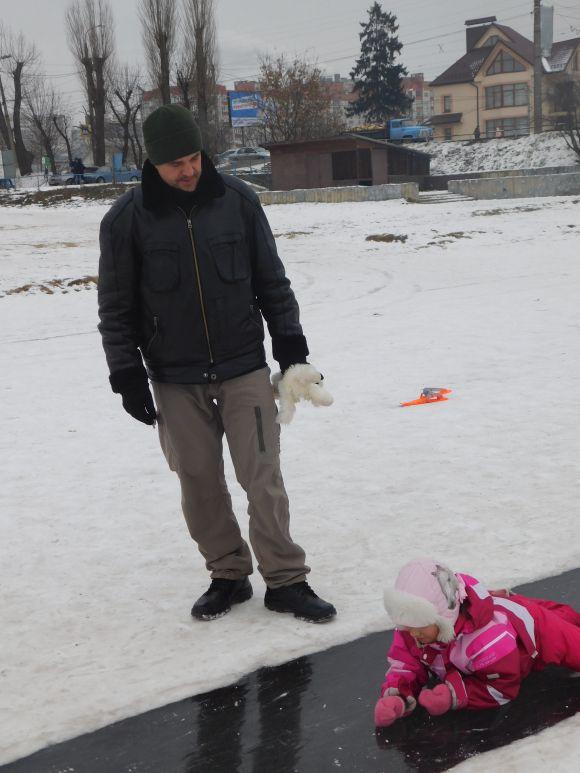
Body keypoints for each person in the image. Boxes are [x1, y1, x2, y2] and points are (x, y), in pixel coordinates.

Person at [97, 104, 336, 624]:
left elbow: (272, 280)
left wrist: (291, 347)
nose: (187, 171)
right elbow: (115, 309)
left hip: (243, 366)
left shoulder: (239, 202)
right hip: (174, 378)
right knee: (199, 483)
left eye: (192, 158)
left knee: (263, 477)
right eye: (173, 164)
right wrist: (127, 376)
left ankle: (286, 580)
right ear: (151, 164)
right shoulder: (125, 221)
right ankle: (228, 574)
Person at [374, 557, 580, 726]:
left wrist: (453, 695)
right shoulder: (411, 630)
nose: (412, 633)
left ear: (443, 617)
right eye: (406, 624)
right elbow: (405, 663)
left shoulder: (489, 639)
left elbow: (502, 688)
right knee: (564, 613)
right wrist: (397, 694)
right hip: (498, 615)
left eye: (419, 623)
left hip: (536, 630)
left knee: (570, 635)